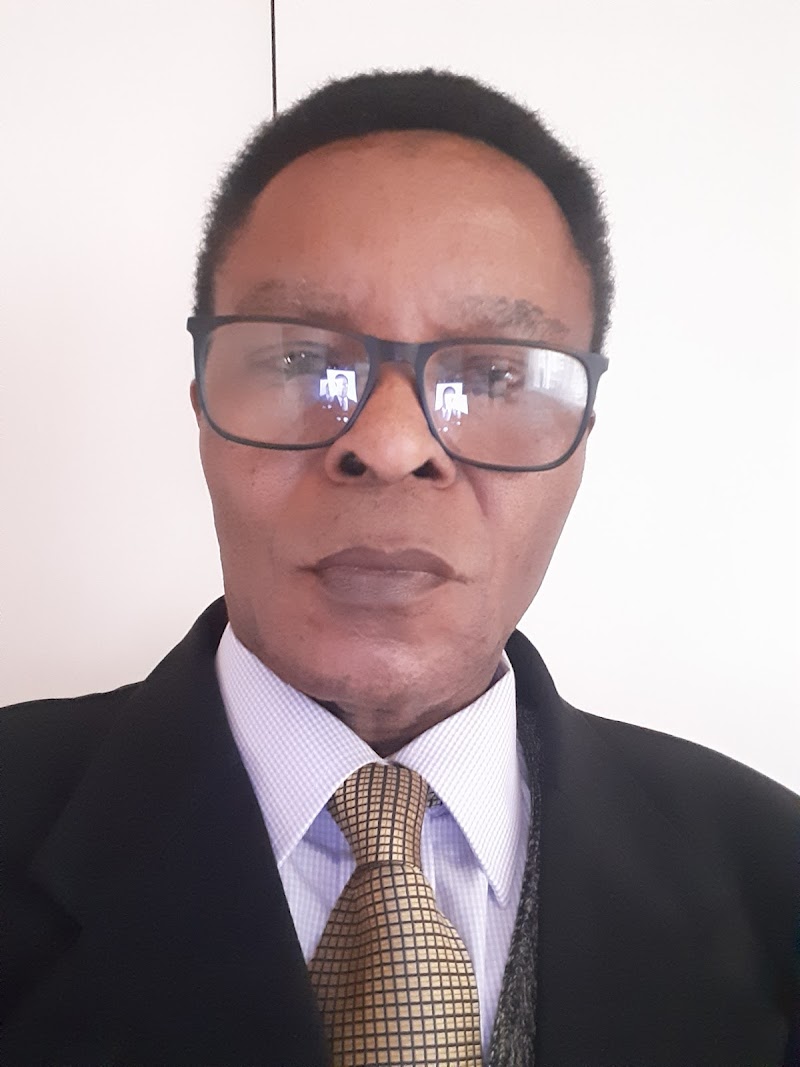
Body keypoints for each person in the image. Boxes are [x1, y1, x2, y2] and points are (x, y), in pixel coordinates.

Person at [2, 69, 798, 1067]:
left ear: (581, 437)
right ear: (202, 406)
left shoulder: (775, 875)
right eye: (300, 359)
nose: (388, 444)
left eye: (493, 373)